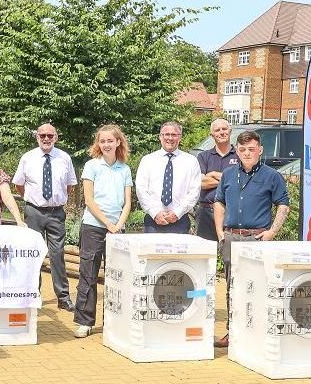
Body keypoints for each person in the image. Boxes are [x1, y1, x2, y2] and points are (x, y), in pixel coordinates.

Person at [213, 130, 289, 348]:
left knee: (257, 286)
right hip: (230, 238)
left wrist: (272, 232)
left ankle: (256, 334)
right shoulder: (228, 174)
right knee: (231, 286)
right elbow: (219, 202)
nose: (247, 153)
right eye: (243, 149)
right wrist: (220, 231)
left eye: (251, 149)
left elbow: (283, 204)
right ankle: (232, 331)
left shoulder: (271, 176)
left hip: (256, 239)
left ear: (260, 151)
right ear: (237, 150)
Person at [73, 125, 132, 338]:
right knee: (88, 275)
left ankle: (114, 321)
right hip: (93, 227)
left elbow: (127, 203)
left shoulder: (125, 169)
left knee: (117, 275)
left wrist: (119, 225)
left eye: (110, 140)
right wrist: (108, 224)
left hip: (117, 230)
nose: (106, 144)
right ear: (98, 144)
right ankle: (84, 321)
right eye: (102, 141)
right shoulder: (91, 166)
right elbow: (89, 200)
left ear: (118, 142)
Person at [13, 123, 78, 311]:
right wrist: (33, 199)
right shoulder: (28, 158)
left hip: (56, 212)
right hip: (34, 211)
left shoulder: (64, 158)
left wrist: (55, 200)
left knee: (57, 254)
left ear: (56, 137)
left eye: (50, 135)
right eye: (43, 135)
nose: (46, 139)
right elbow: (19, 184)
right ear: (37, 137)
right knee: (34, 254)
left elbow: (69, 186)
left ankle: (63, 297)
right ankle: (34, 293)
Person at [135, 121, 201, 234]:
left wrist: (177, 213)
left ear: (180, 138)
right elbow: (141, 190)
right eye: (166, 134)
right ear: (160, 137)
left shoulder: (191, 161)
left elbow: (194, 191)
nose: (170, 138)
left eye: (174, 135)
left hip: (180, 220)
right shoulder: (148, 160)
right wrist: (155, 213)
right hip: (153, 221)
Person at [196, 118, 238, 241]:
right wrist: (228, 179)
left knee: (229, 251)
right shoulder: (203, 156)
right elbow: (201, 183)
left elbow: (240, 181)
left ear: (230, 131)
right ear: (212, 135)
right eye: (217, 130)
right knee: (205, 252)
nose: (221, 132)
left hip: (231, 212)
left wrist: (212, 174)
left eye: (224, 129)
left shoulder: (239, 155)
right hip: (206, 212)